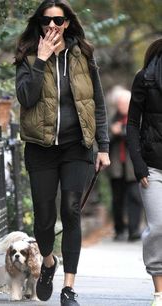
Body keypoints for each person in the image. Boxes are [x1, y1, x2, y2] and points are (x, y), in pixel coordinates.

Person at [15, 1, 110, 305]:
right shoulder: (28, 56)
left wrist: (103, 146)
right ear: (40, 23)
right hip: (40, 149)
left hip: (76, 147)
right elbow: (26, 97)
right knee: (44, 218)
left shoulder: (83, 55)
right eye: (47, 20)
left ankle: (68, 288)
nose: (52, 25)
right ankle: (48, 262)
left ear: (68, 22)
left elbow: (96, 102)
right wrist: (41, 60)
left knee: (71, 210)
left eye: (59, 19)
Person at [127, 38, 162, 306]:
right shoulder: (145, 78)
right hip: (152, 167)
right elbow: (132, 123)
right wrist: (137, 163)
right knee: (158, 227)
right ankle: (159, 292)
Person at [108, 87, 143, 241]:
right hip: (116, 167)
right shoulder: (112, 118)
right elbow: (105, 138)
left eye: (124, 103)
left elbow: (137, 136)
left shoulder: (137, 118)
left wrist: (121, 131)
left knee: (135, 198)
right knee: (117, 200)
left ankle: (134, 230)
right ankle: (119, 229)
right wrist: (113, 132)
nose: (121, 106)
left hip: (132, 167)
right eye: (119, 104)